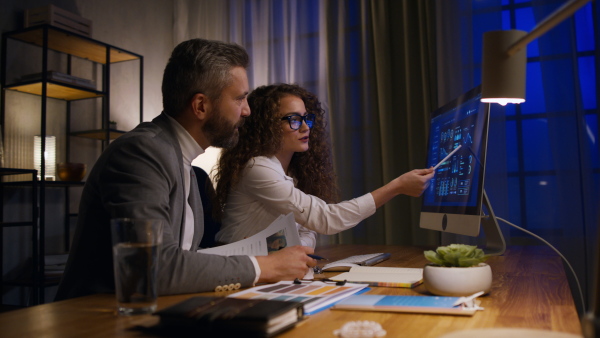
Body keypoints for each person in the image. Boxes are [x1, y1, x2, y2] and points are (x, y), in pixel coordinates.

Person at [55, 40, 316, 301]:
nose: (247, 110)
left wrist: (247, 254)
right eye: (239, 98)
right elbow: (153, 267)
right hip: (95, 318)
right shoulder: (141, 153)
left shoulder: (183, 161)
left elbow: (181, 257)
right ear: (200, 106)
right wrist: (265, 266)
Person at [214, 83, 435, 248]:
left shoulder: (291, 170)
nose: (305, 128)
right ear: (266, 126)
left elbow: (309, 228)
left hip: (264, 269)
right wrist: (396, 187)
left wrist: (299, 251)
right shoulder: (257, 168)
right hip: (234, 270)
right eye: (293, 119)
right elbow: (326, 219)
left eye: (306, 119)